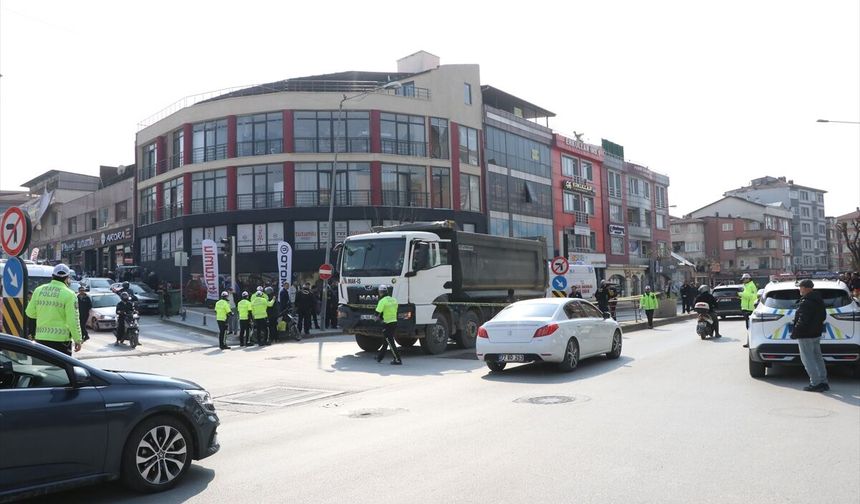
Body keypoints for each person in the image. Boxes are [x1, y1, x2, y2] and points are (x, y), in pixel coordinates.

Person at [25, 264, 83, 355]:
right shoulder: (70, 294)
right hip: (61, 342)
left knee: (41, 368)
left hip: (41, 339)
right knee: (60, 368)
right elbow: (73, 320)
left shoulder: (38, 290)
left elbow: (30, 313)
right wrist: (78, 339)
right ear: (67, 278)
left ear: (52, 276)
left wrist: (43, 313)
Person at [792, 279, 829, 392]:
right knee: (818, 358)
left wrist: (796, 332)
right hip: (816, 334)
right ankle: (823, 382)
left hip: (805, 335)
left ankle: (815, 383)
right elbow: (823, 316)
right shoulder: (818, 299)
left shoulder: (806, 301)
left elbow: (803, 320)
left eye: (800, 287)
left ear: (806, 288)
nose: (799, 289)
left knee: (808, 360)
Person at [375, 285, 401, 365]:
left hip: (387, 323)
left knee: (390, 342)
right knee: (386, 341)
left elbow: (376, 314)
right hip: (394, 322)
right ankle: (380, 357)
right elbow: (396, 310)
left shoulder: (382, 301)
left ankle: (397, 359)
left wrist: (376, 319)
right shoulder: (394, 300)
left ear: (380, 292)